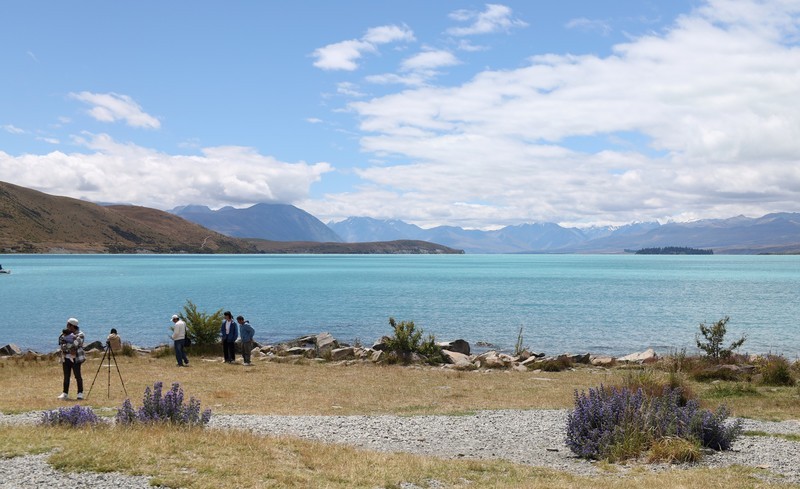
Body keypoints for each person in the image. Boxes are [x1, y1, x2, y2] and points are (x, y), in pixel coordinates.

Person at [58, 318, 85, 400]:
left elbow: (77, 343)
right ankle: (65, 393)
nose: (67, 326)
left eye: (68, 325)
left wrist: (67, 346)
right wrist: (70, 347)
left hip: (76, 359)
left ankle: (80, 393)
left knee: (77, 376)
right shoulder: (65, 333)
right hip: (65, 358)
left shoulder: (81, 334)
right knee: (66, 376)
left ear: (72, 326)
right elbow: (62, 344)